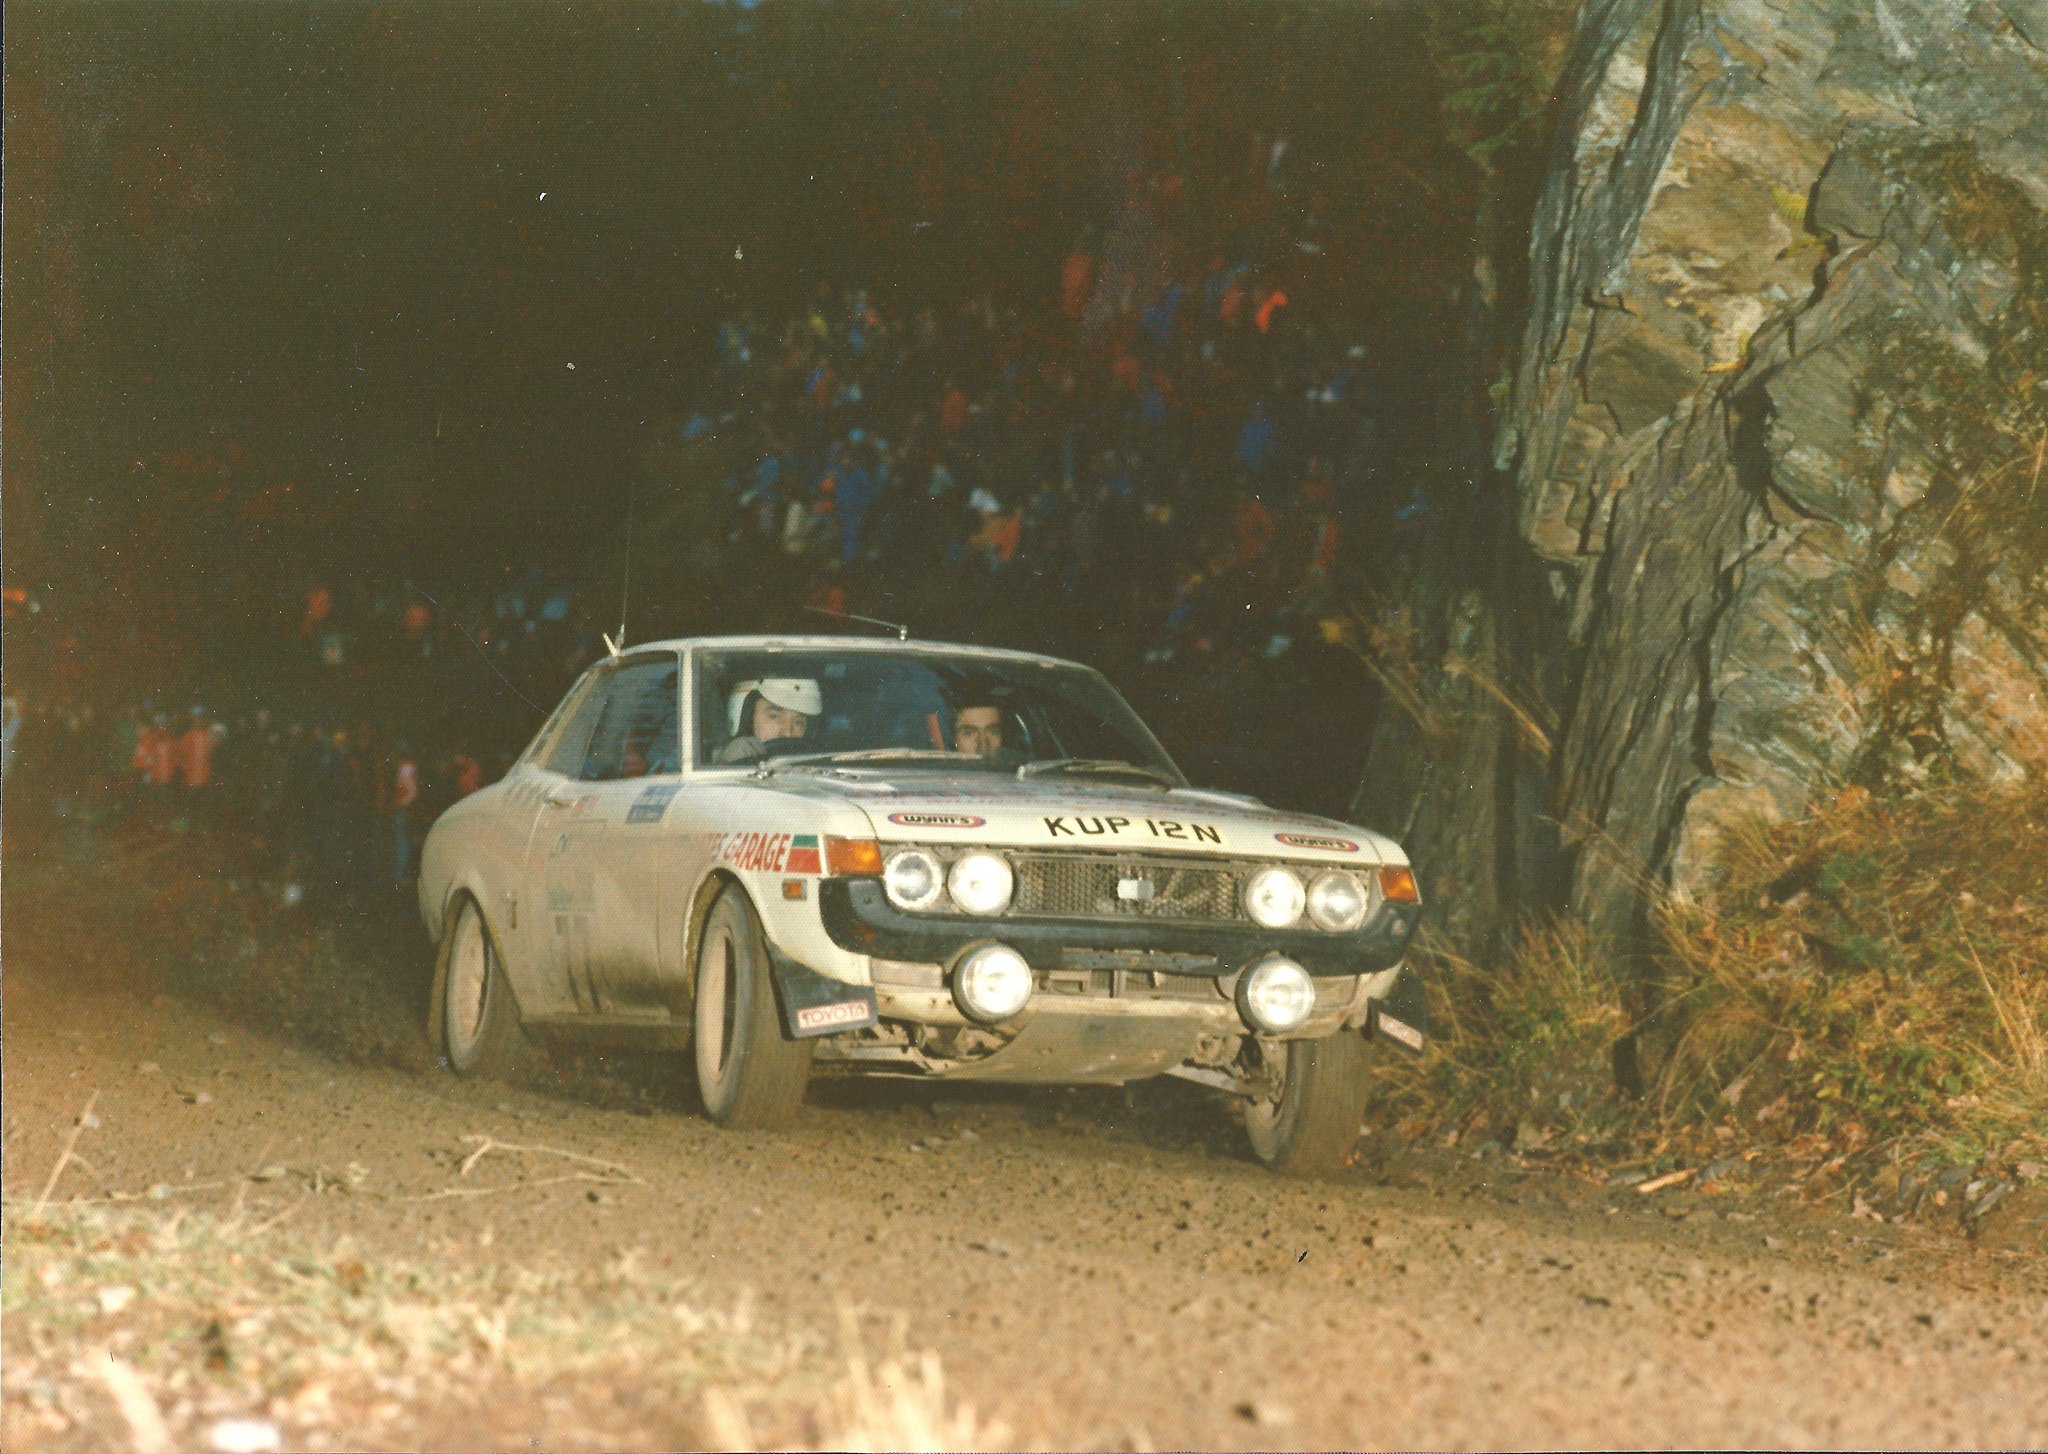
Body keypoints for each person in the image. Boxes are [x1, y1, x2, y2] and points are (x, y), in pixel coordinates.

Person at [715, 677, 822, 764]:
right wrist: (726, 764)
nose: (788, 733)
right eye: (774, 717)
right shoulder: (706, 766)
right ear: (748, 717)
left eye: (798, 722)